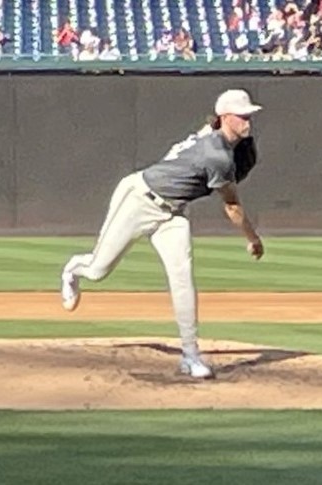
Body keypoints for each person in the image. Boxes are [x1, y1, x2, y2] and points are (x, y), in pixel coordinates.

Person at [60, 89, 265, 379]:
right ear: (225, 118)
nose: (248, 120)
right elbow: (232, 206)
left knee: (182, 276)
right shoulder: (217, 155)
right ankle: (72, 270)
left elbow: (204, 136)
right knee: (98, 269)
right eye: (242, 116)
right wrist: (252, 239)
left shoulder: (213, 135)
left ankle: (191, 355)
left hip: (172, 213)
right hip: (140, 199)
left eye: (249, 115)